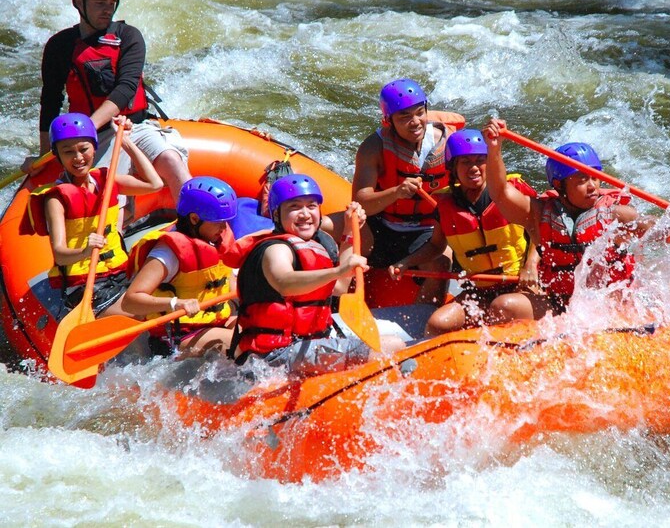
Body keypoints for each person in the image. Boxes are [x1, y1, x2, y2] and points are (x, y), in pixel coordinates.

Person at [24, 0, 190, 206]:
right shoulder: (60, 46)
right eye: (100, 2)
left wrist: (87, 125)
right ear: (79, 3)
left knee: (172, 161)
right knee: (103, 196)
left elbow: (125, 88)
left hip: (135, 126)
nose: (108, 9)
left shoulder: (129, 36)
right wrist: (44, 154)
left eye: (112, 2)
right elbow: (51, 100)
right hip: (90, 139)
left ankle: (194, 230)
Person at [228, 174, 404, 376]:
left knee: (389, 344)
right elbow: (284, 282)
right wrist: (337, 270)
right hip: (274, 355)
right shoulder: (275, 249)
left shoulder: (319, 245)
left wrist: (348, 233)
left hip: (304, 346)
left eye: (311, 206)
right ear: (277, 215)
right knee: (393, 346)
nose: (305, 214)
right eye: (294, 207)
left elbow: (339, 287)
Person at [484, 119, 653, 317]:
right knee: (502, 306)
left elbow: (657, 229)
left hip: (609, 308)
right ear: (559, 185)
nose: (592, 186)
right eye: (582, 180)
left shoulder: (616, 213)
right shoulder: (538, 214)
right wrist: (494, 149)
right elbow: (500, 192)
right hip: (560, 305)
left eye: (595, 177)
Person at [389, 129, 542, 337]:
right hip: (480, 291)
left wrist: (531, 265)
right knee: (438, 324)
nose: (474, 168)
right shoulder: (444, 204)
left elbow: (541, 229)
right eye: (466, 162)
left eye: (480, 160)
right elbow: (436, 245)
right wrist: (406, 262)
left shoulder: (512, 191)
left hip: (521, 287)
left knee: (502, 307)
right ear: (453, 168)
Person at [22, 113, 163, 318]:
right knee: (142, 315)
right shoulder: (56, 199)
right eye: (68, 152)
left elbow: (154, 184)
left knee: (161, 300)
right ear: (58, 156)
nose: (78, 158)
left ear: (94, 147)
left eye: (84, 149)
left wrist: (125, 142)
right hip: (85, 284)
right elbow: (60, 255)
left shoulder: (106, 179)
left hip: (120, 273)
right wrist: (85, 250)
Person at [352, 78, 454, 306]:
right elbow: (360, 203)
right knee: (330, 226)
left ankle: (423, 322)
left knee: (441, 264)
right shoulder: (373, 147)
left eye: (420, 112)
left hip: (428, 230)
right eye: (404, 117)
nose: (415, 122)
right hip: (381, 223)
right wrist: (396, 192)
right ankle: (335, 307)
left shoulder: (448, 145)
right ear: (389, 121)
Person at [122, 176, 238, 357]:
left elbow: (231, 287)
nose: (224, 228)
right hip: (176, 336)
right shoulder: (167, 253)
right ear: (194, 218)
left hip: (215, 323)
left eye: (226, 222)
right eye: (218, 222)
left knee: (260, 330)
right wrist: (174, 303)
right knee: (238, 343)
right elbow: (130, 301)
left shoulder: (216, 242)